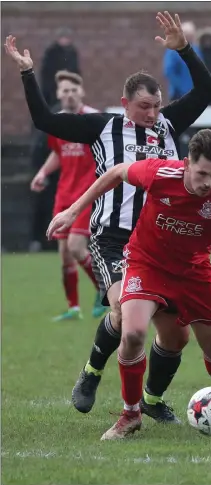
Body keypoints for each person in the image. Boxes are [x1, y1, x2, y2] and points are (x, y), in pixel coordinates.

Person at [5, 11, 211, 423]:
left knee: (176, 334)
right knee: (123, 310)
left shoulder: (170, 125)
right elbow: (44, 120)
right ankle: (91, 373)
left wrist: (185, 50)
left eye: (157, 106)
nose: (153, 113)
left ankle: (154, 400)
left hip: (166, 242)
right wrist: (28, 74)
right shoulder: (102, 128)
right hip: (115, 238)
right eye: (144, 107)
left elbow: (207, 88)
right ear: (125, 104)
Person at [47, 128, 211, 440]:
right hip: (147, 264)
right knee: (132, 333)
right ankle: (130, 415)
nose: (207, 183)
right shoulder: (161, 174)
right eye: (202, 173)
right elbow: (117, 172)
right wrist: (73, 210)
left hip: (194, 271)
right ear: (187, 163)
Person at [30, 70, 106, 321]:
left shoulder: (93, 118)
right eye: (65, 90)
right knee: (64, 254)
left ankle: (104, 290)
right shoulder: (56, 122)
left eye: (74, 90)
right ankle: (74, 308)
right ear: (59, 94)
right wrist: (42, 173)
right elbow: (58, 152)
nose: (70, 94)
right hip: (64, 192)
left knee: (76, 246)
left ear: (81, 92)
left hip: (87, 193)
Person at [40, 27, 81, 107]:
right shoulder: (52, 52)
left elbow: (75, 70)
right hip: (53, 90)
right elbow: (46, 72)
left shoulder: (72, 52)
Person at [163, 21, 203, 101]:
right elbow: (169, 71)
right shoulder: (173, 50)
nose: (190, 37)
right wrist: (182, 88)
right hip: (179, 93)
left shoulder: (196, 49)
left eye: (191, 34)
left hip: (195, 92)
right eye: (187, 34)